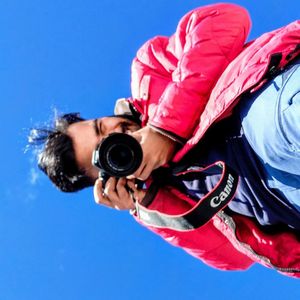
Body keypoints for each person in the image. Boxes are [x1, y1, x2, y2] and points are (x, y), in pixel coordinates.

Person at [30, 3, 300, 278]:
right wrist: (148, 203)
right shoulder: (160, 198)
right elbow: (235, 258)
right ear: (106, 178)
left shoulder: (149, 71)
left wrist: (165, 129)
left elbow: (226, 19)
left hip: (264, 114)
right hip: (285, 206)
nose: (115, 135)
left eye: (101, 127)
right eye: (105, 153)